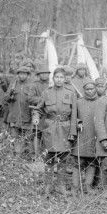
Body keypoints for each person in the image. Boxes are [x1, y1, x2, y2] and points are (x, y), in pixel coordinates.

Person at [35, 67, 78, 196]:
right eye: (57, 77)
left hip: (65, 129)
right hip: (50, 128)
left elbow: (74, 115)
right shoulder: (46, 93)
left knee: (63, 159)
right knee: (49, 158)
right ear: (53, 79)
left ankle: (61, 186)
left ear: (65, 79)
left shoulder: (71, 93)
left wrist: (73, 132)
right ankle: (48, 185)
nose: (59, 80)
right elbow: (38, 109)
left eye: (61, 77)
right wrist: (36, 117)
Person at [72, 78, 99, 194]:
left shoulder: (101, 102)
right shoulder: (78, 102)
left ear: (95, 89)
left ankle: (88, 186)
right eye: (87, 89)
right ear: (84, 90)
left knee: (92, 162)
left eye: (92, 88)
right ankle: (75, 187)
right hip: (81, 136)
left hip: (95, 135)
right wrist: (77, 122)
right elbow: (73, 117)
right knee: (77, 162)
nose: (89, 91)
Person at [5, 65, 33, 157]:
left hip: (26, 115)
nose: (22, 76)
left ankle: (23, 154)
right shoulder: (13, 84)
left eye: (24, 74)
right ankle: (15, 155)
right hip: (14, 115)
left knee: (25, 137)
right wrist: (10, 95)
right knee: (14, 136)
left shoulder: (31, 85)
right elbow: (6, 98)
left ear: (27, 75)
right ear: (18, 74)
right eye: (20, 73)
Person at [29, 64, 51, 158]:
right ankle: (35, 154)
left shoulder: (51, 84)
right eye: (42, 73)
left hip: (49, 112)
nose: (45, 75)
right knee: (37, 133)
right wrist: (43, 100)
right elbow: (30, 98)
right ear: (39, 75)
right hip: (38, 112)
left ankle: (47, 155)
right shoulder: (34, 85)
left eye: (46, 73)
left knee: (48, 133)